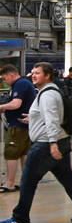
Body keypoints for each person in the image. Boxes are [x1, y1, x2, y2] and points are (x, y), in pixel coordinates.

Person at [0, 61, 72, 223]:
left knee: (28, 180)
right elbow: (51, 116)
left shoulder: (47, 94)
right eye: (33, 72)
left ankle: (20, 217)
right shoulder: (47, 92)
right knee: (67, 178)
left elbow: (52, 120)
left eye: (38, 73)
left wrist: (53, 144)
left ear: (47, 76)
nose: (33, 75)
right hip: (59, 141)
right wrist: (33, 118)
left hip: (47, 144)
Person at [0, 62, 37, 193]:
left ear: (11, 74)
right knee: (23, 154)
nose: (5, 82)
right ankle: (26, 182)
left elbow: (16, 104)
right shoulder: (24, 83)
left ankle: (9, 183)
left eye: (4, 78)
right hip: (26, 125)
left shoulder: (19, 84)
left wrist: (2, 107)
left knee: (11, 153)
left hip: (18, 126)